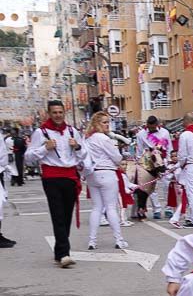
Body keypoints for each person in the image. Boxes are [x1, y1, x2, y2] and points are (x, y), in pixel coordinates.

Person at [26, 100, 84, 267]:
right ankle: (65, 253)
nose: (58, 115)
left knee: (66, 216)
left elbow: (84, 155)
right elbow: (29, 158)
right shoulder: (41, 132)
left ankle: (59, 252)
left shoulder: (72, 131)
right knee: (57, 214)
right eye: (54, 112)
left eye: (60, 112)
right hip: (51, 177)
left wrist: (78, 146)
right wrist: (45, 148)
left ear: (64, 113)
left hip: (70, 177)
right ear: (49, 114)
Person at [82, 112, 130, 250]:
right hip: (107, 173)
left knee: (96, 208)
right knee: (110, 207)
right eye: (104, 122)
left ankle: (92, 240)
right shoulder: (103, 138)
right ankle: (119, 239)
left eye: (108, 122)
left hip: (92, 174)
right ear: (97, 123)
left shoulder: (88, 139)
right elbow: (116, 157)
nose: (107, 124)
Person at [137, 117, 173, 218]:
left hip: (163, 161)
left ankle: (168, 208)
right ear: (147, 125)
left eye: (154, 127)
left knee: (166, 185)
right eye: (150, 127)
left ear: (157, 124)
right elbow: (139, 151)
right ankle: (156, 209)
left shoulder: (165, 132)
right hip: (148, 162)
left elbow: (169, 147)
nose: (152, 129)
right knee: (151, 187)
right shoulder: (141, 134)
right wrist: (140, 163)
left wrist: (170, 161)